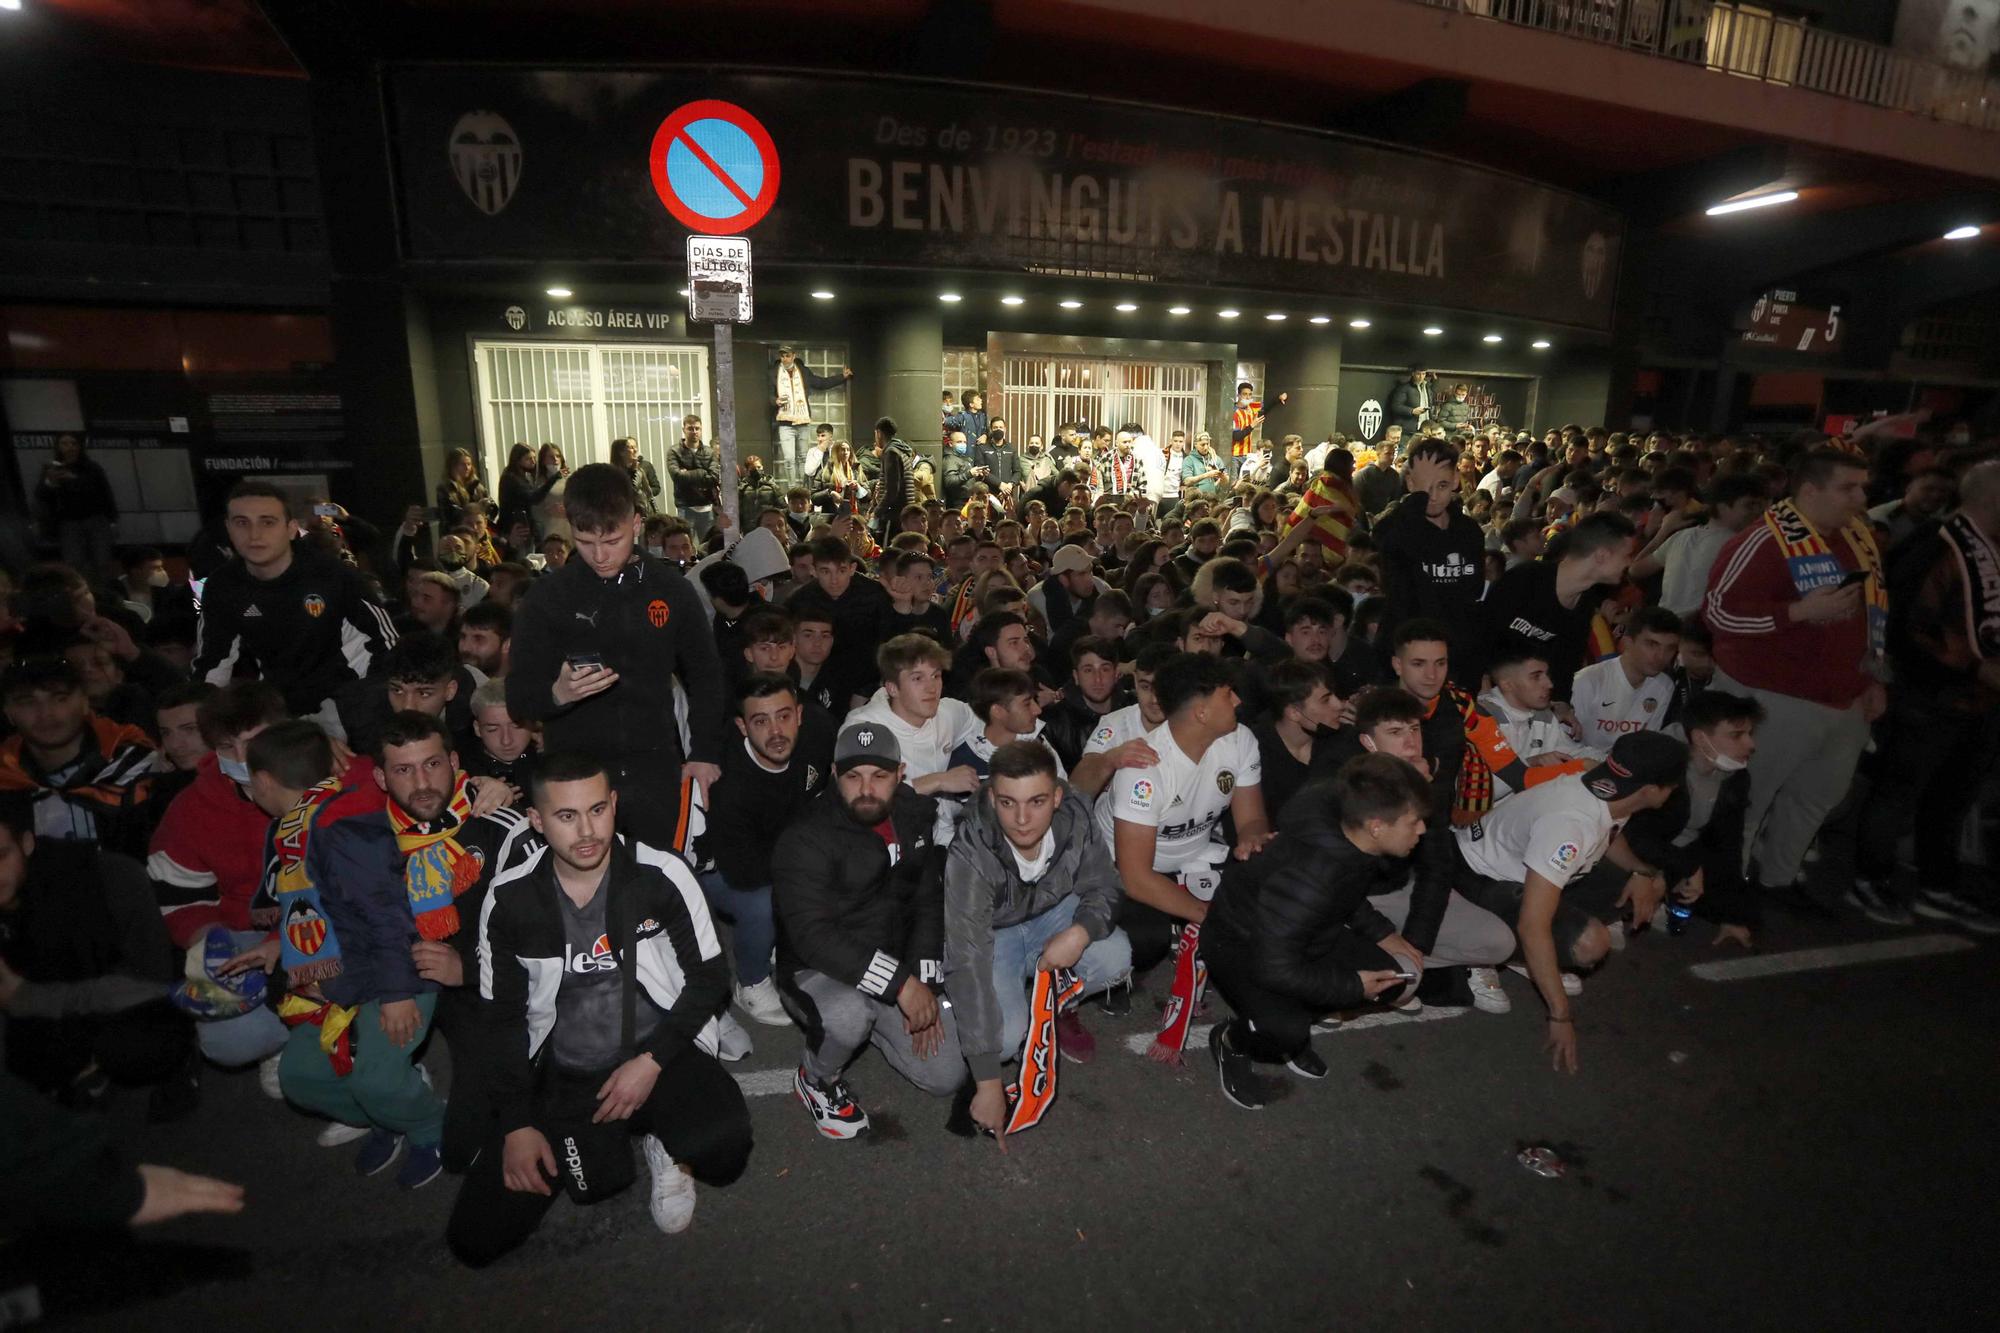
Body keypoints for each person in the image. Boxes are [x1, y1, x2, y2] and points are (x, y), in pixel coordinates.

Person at [447, 753, 750, 1264]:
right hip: (564, 1072)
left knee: (722, 1148)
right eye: (566, 816)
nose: (587, 831)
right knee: (475, 1241)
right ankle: (586, 1140)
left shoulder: (661, 873)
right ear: (538, 822)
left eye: (596, 810)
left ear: (613, 805)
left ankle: (662, 1139)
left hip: (658, 1052)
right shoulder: (510, 899)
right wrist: (519, 1122)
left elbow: (708, 978)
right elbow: (500, 1019)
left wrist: (650, 1062)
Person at [221, 721, 448, 1185]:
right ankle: (388, 1117)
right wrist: (276, 947)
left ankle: (429, 1127)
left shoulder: (339, 825)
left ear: (261, 781)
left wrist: (396, 994)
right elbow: (319, 909)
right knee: (300, 1077)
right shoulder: (300, 825)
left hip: (396, 972)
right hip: (341, 975)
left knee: (376, 1079)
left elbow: (387, 916)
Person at [506, 463, 727, 851]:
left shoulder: (671, 590)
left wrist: (704, 753)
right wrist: (557, 694)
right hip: (575, 777)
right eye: (585, 542)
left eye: (613, 541)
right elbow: (518, 698)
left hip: (654, 769)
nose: (600, 556)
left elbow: (707, 675)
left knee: (657, 886)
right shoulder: (548, 598)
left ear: (637, 523)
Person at [1704, 446, 1886, 911]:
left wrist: (1872, 677)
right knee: (1750, 801)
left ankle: (1777, 882)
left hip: (1845, 698)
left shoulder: (1858, 536)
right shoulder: (1764, 539)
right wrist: (1799, 612)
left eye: (1862, 486)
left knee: (1814, 799)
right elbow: (1719, 613)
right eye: (1849, 487)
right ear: (1810, 490)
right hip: (1774, 697)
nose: (1861, 497)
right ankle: (1729, 890)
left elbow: (1871, 615)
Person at [1451, 732, 1688, 1073]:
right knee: (1590, 943)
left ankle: (1530, 952)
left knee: (1627, 882)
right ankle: (1499, 953)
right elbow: (1533, 925)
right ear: (1651, 790)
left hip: (1510, 867)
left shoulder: (1608, 791)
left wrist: (1644, 872)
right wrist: (1560, 1014)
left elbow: (1608, 837)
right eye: (1672, 785)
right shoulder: (1570, 824)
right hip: (1477, 878)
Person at [1203, 754, 1431, 1108]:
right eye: (1414, 822)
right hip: (1238, 942)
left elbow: (1345, 894)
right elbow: (1274, 966)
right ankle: (1232, 1040)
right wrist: (1353, 985)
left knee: (1394, 978)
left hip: (1297, 934)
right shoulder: (1313, 877)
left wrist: (1382, 932)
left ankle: (1297, 1019)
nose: (1422, 831)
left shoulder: (1348, 840)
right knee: (1284, 1030)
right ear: (1376, 826)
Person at [771, 723, 963, 1139]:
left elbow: (927, 901)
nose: (866, 789)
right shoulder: (805, 836)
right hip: (816, 968)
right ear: (835, 776)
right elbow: (813, 936)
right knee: (847, 1015)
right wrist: (902, 985)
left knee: (946, 1075)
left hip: (889, 961)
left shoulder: (914, 817)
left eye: (879, 776)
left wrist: (924, 979)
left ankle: (876, 1020)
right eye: (853, 776)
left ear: (900, 774)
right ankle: (816, 1077)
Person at [367, 712, 536, 1171]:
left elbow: (549, 941)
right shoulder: (370, 837)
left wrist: (469, 970)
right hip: (409, 977)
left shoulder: (503, 825)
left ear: (455, 761)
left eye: (433, 765)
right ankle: (402, 1089)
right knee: (345, 1067)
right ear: (381, 778)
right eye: (403, 770)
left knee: (463, 1155)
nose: (422, 782)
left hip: (484, 985)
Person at [944, 741, 1132, 1142]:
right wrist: (989, 1082)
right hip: (996, 935)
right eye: (1008, 803)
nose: (1023, 819)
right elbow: (967, 959)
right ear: (992, 797)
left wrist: (1079, 932)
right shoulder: (970, 852)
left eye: (1038, 801)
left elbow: (1105, 886)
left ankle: (1055, 1005)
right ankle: (1016, 1007)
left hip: (1053, 914)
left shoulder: (1077, 815)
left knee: (1116, 956)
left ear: (1058, 797)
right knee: (1004, 1041)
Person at [1854, 459, 2000, 932]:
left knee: (1953, 797)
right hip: (1931, 697)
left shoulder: (1987, 546)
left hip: (1978, 700)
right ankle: (1868, 879)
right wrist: (1973, 665)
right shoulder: (1935, 545)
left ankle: (1938, 885)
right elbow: (1905, 625)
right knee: (1899, 793)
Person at [0, 793, 199, 1121]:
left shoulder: (97, 880)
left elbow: (151, 986)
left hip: (131, 998)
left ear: (27, 843)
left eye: (2, 855)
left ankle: (171, 1066)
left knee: (139, 1044)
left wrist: (27, 998)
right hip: (50, 1006)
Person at [147, 681, 291, 1083]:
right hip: (249, 935)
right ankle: (286, 1040)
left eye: (255, 741)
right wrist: (213, 946)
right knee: (230, 1042)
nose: (244, 757)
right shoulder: (191, 809)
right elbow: (178, 898)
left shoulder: (326, 776)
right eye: (228, 746)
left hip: (329, 925)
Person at [1095, 653, 1271, 976]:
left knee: (1273, 878)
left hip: (1196, 854)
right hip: (1123, 869)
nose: (1238, 700)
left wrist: (1253, 839)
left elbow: (1251, 820)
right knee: (1146, 940)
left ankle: (1186, 918)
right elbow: (1135, 877)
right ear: (1201, 712)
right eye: (1228, 693)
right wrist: (1208, 915)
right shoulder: (1146, 769)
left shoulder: (1239, 739)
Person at [193, 481, 399, 722]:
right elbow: (212, 662)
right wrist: (201, 722)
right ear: (228, 528)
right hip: (279, 710)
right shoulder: (223, 585)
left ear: (292, 529)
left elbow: (387, 645)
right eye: (242, 523)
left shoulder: (333, 575)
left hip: (349, 700)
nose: (254, 534)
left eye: (267, 522)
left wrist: (364, 709)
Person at [701, 674, 834, 1026]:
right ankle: (750, 981)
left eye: (784, 716)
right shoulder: (728, 784)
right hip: (718, 864)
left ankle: (784, 939)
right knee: (761, 902)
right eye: (761, 721)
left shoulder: (820, 734)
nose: (776, 731)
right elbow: (743, 873)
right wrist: (805, 870)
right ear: (743, 726)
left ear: (800, 715)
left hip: (781, 843)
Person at [0, 656, 158, 859]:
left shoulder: (140, 766)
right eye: (27, 702)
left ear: (85, 702)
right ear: (8, 713)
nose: (45, 713)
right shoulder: (6, 779)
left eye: (60, 698)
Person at [1483, 511, 1639, 700]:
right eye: (1628, 555)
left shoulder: (1584, 605)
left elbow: (1566, 666)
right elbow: (1481, 634)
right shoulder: (1524, 579)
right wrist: (1482, 686)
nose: (1630, 562)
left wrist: (1561, 704)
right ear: (1602, 555)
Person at [1372, 438, 1487, 683]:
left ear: (1456, 481)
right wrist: (1417, 499)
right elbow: (1391, 547)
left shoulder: (1469, 532)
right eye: (1425, 487)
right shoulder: (1394, 527)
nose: (1433, 496)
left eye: (1442, 485)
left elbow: (1474, 590)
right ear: (1410, 483)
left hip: (1459, 658)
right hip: (1405, 658)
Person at [843, 635, 981, 798]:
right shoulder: (863, 729)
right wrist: (938, 781)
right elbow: (863, 796)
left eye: (936, 676)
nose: (932, 688)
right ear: (893, 688)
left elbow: (993, 720)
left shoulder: (948, 712)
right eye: (917, 678)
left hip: (942, 820)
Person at [1628, 473, 1768, 617]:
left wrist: (1662, 533)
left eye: (1760, 506)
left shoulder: (1681, 537)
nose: (1758, 512)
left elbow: (1635, 570)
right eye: (1750, 505)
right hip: (1703, 631)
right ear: (1723, 506)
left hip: (1667, 625)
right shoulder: (1742, 544)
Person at [787, 535, 892, 703]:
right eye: (825, 571)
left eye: (841, 570)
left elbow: (889, 641)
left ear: (852, 568)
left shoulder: (875, 596)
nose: (834, 580)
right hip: (815, 683)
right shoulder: (800, 601)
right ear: (813, 571)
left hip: (868, 683)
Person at [1566, 607, 1682, 758]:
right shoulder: (1588, 680)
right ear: (1627, 642)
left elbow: (1645, 744)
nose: (1661, 656)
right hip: (1580, 766)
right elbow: (1565, 743)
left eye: (1670, 649)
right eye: (1652, 645)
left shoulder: (1665, 686)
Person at [1251, 659, 1348, 819]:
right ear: (1294, 712)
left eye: (1335, 696)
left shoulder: (1343, 739)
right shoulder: (1255, 751)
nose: (1339, 705)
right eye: (1325, 700)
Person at [34, 435, 119, 576]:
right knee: (74, 563)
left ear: (79, 446)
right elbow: (41, 496)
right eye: (65, 444)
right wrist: (50, 482)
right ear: (58, 447)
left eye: (73, 443)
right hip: (68, 522)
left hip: (95, 518)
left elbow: (104, 493)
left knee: (102, 561)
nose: (70, 447)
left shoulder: (92, 468)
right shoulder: (52, 469)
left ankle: (103, 594)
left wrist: (112, 520)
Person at [773, 346, 852, 474]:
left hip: (802, 420)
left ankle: (804, 489)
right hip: (785, 421)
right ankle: (792, 490)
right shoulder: (775, 372)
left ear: (793, 356)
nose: (785, 359)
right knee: (789, 459)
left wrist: (842, 377)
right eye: (782, 356)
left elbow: (821, 383)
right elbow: (768, 394)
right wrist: (775, 401)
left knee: (804, 457)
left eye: (787, 356)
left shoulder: (803, 372)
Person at [462, 677, 537, 794]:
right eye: (493, 729)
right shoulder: (461, 774)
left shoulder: (550, 763)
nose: (506, 740)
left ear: (532, 723)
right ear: (477, 728)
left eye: (516, 726)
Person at [1867, 467, 1955, 550]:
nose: (1936, 496)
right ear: (1909, 487)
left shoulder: (1939, 520)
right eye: (1929, 489)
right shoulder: (1882, 519)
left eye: (1943, 492)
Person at [669, 415, 721, 541]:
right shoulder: (674, 451)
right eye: (690, 428)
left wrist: (689, 473)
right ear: (684, 430)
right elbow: (677, 477)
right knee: (686, 545)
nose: (694, 432)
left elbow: (713, 478)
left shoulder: (709, 452)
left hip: (707, 506)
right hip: (686, 506)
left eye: (697, 428)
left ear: (701, 430)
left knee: (708, 546)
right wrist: (703, 472)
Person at [609, 437, 665, 518]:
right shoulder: (614, 473)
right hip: (626, 516)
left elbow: (649, 494)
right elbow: (630, 492)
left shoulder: (640, 470)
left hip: (644, 515)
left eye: (635, 447)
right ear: (621, 452)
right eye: (631, 448)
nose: (635, 450)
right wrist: (633, 471)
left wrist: (657, 514)